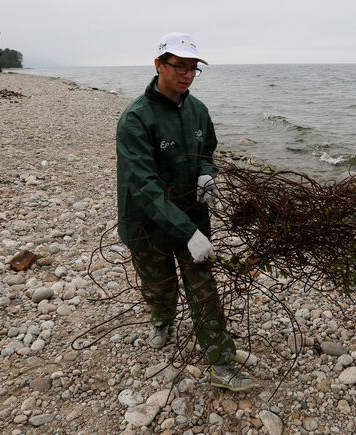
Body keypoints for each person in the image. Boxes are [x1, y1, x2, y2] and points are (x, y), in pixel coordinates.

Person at [116, 32, 256, 391]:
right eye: (180, 67)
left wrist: (208, 173)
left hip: (192, 214)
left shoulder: (198, 110)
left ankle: (220, 362)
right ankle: (162, 318)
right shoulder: (135, 119)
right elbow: (144, 186)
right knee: (158, 284)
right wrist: (187, 231)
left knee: (204, 288)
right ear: (159, 64)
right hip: (146, 222)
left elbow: (206, 150)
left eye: (194, 68)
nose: (188, 75)